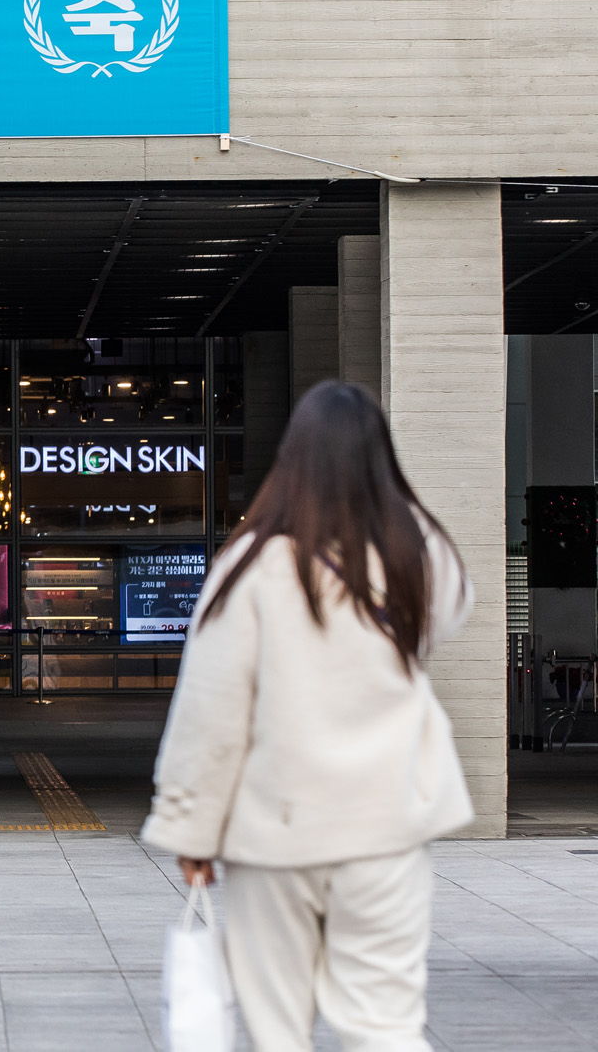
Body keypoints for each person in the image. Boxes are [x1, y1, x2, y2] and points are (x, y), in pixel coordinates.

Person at [142, 381, 474, 1052]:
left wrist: (192, 825)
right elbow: (451, 614)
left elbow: (213, 711)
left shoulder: (252, 566)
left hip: (277, 832)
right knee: (384, 1025)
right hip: (388, 826)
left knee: (278, 1029)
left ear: (292, 461)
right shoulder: (420, 557)